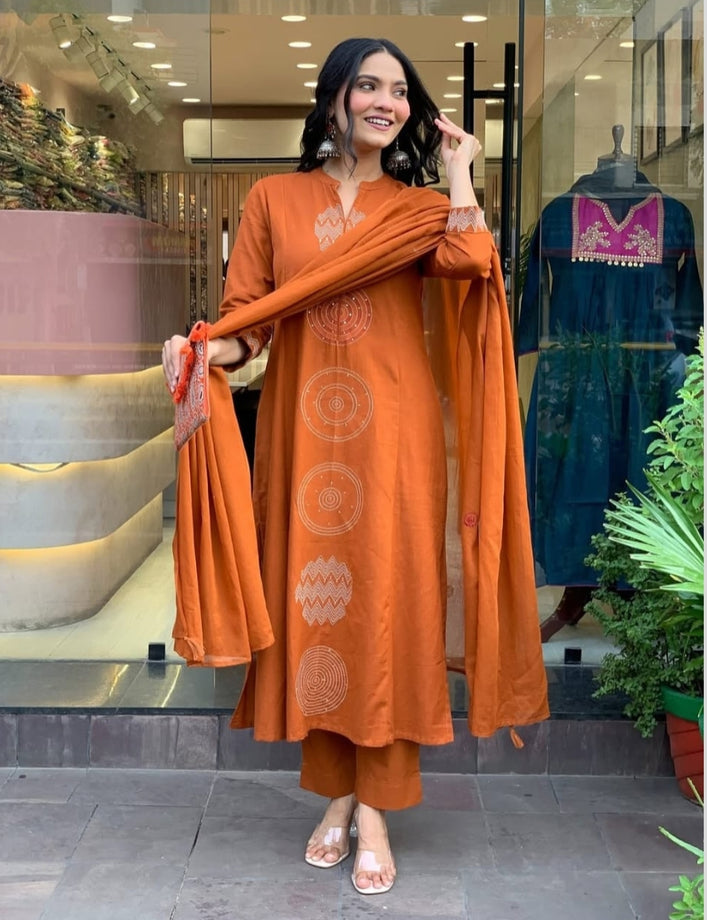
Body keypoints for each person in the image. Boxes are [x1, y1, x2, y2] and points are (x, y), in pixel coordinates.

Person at [163, 37, 548, 896]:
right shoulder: (272, 198)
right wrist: (201, 353)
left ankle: (373, 809)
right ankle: (336, 795)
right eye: (368, 85)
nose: (385, 102)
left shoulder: (417, 208)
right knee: (321, 619)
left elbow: (471, 264)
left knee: (390, 613)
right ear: (333, 96)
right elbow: (248, 320)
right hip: (302, 446)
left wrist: (460, 172)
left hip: (397, 445)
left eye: (399, 91)